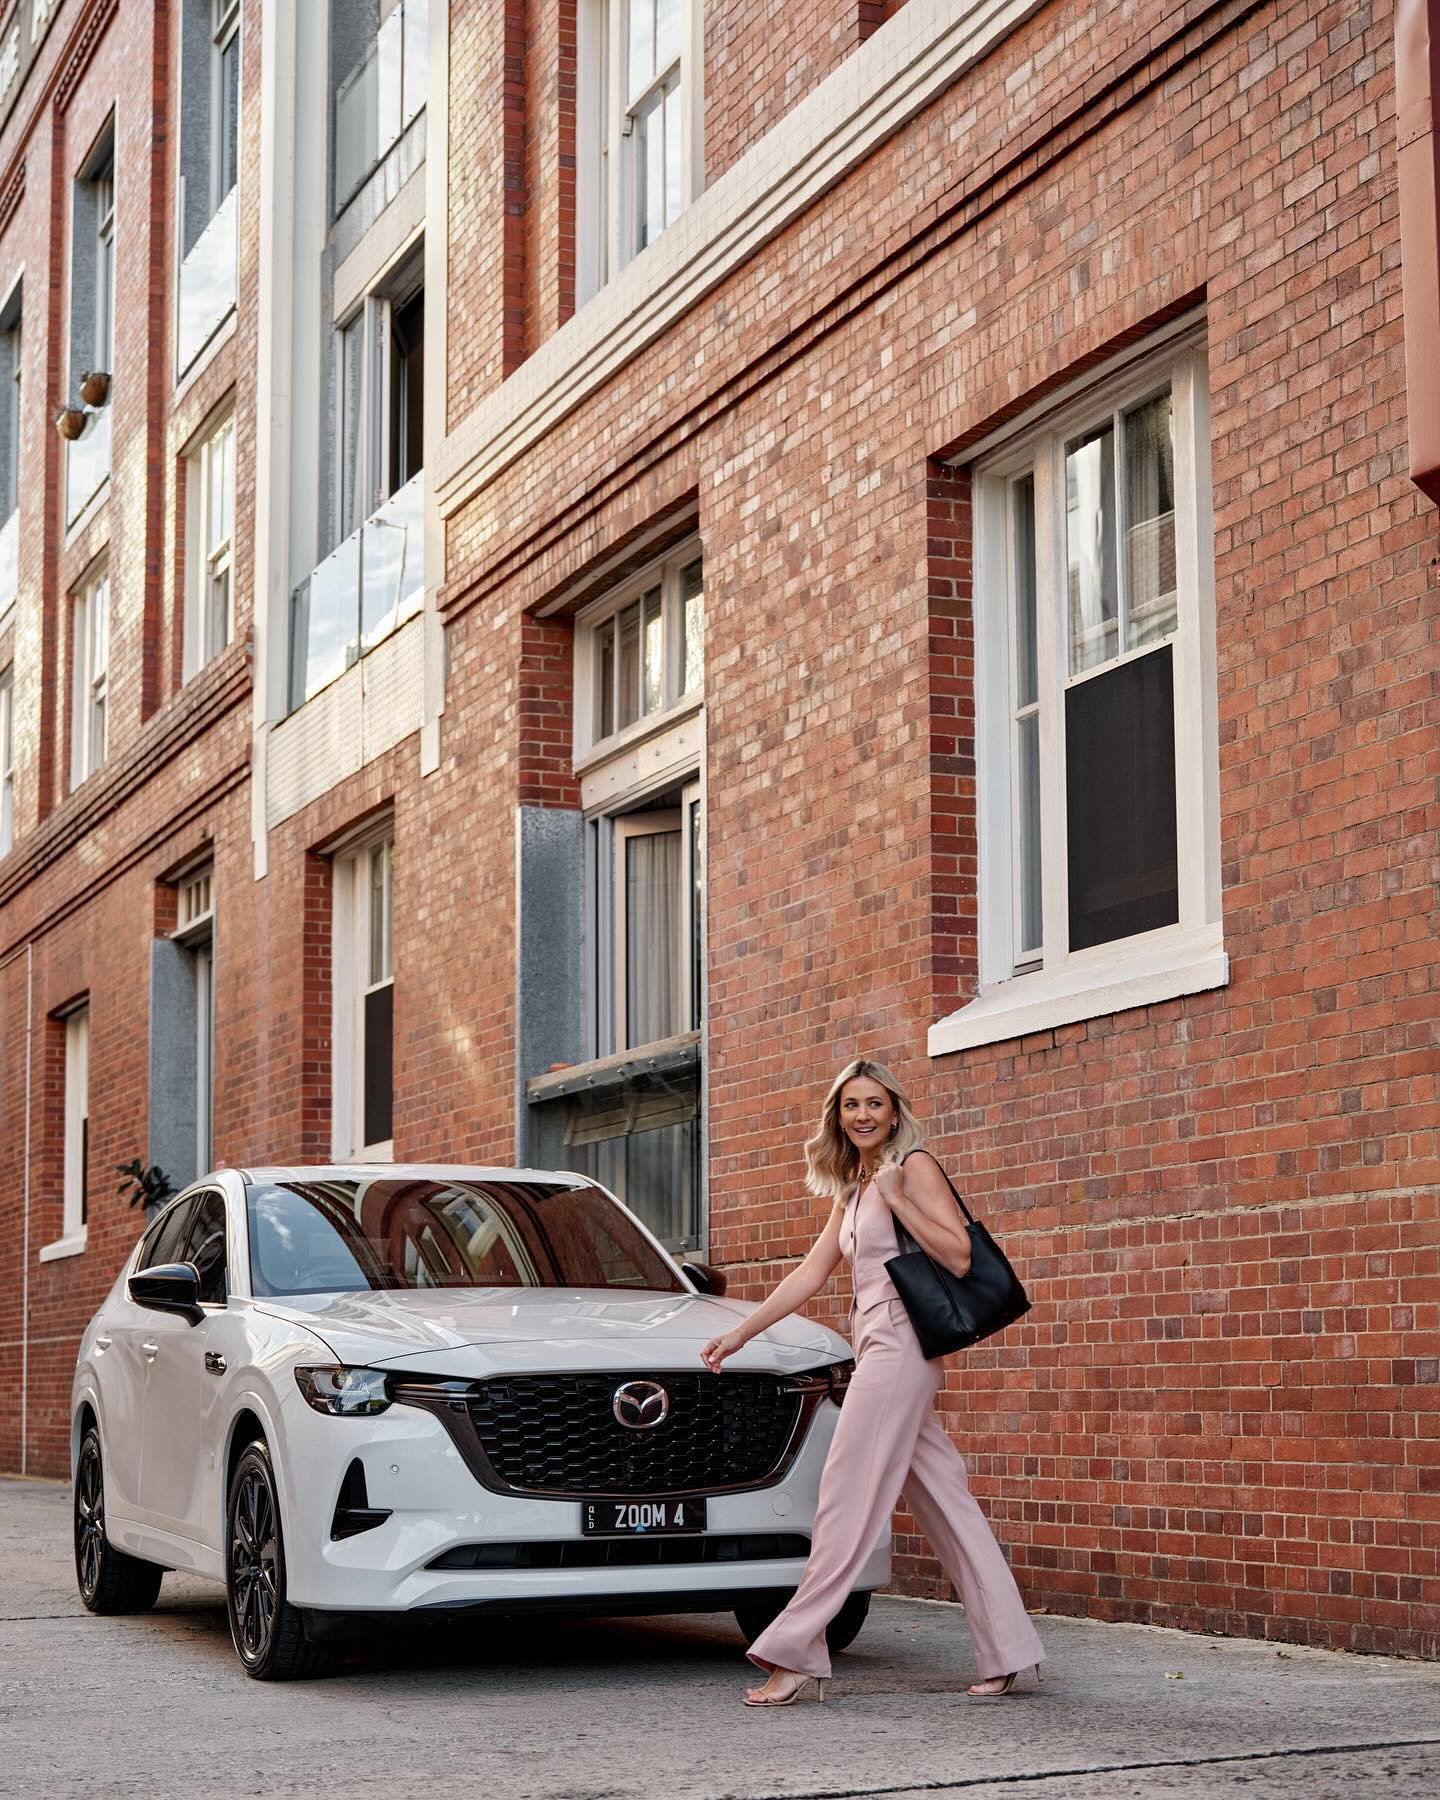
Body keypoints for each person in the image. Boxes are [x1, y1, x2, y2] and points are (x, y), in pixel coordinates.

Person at [701, 1057, 1044, 1707]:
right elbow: (810, 1275)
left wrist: (899, 1197)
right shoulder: (854, 1190)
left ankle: (796, 1650)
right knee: (948, 1503)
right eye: (850, 1105)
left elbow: (961, 1254)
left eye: (874, 1104)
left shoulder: (912, 1168)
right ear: (839, 1116)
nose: (862, 1115)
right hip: (879, 1348)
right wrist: (740, 1333)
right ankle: (1011, 1651)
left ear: (894, 1113)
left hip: (901, 1349)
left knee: (844, 1497)